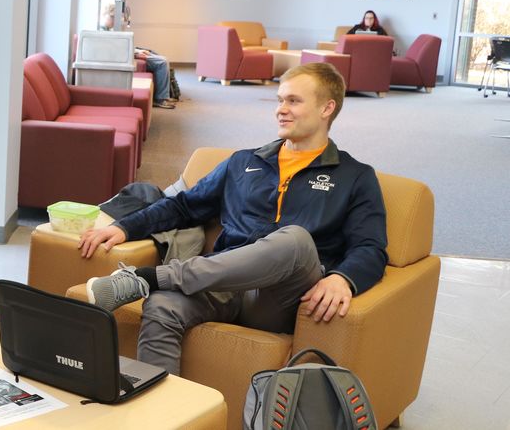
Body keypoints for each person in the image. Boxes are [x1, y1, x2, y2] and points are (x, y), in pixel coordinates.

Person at [78, 62, 387, 375]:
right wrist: (125, 227)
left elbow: (371, 247)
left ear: (327, 108)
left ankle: (148, 278)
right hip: (223, 285)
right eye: (279, 100)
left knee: (295, 239)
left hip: (282, 298)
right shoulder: (244, 162)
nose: (281, 109)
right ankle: (163, 415)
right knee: (162, 306)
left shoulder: (355, 177)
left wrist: (342, 278)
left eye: (293, 101)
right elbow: (183, 206)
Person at [101, 4, 176, 109]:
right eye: (113, 18)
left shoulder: (109, 29)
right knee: (162, 62)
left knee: (155, 54)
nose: (115, 21)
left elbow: (123, 45)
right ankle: (160, 99)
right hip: (126, 56)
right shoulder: (103, 32)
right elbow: (117, 51)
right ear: (107, 16)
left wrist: (138, 50)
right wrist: (137, 54)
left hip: (128, 52)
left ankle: (164, 95)